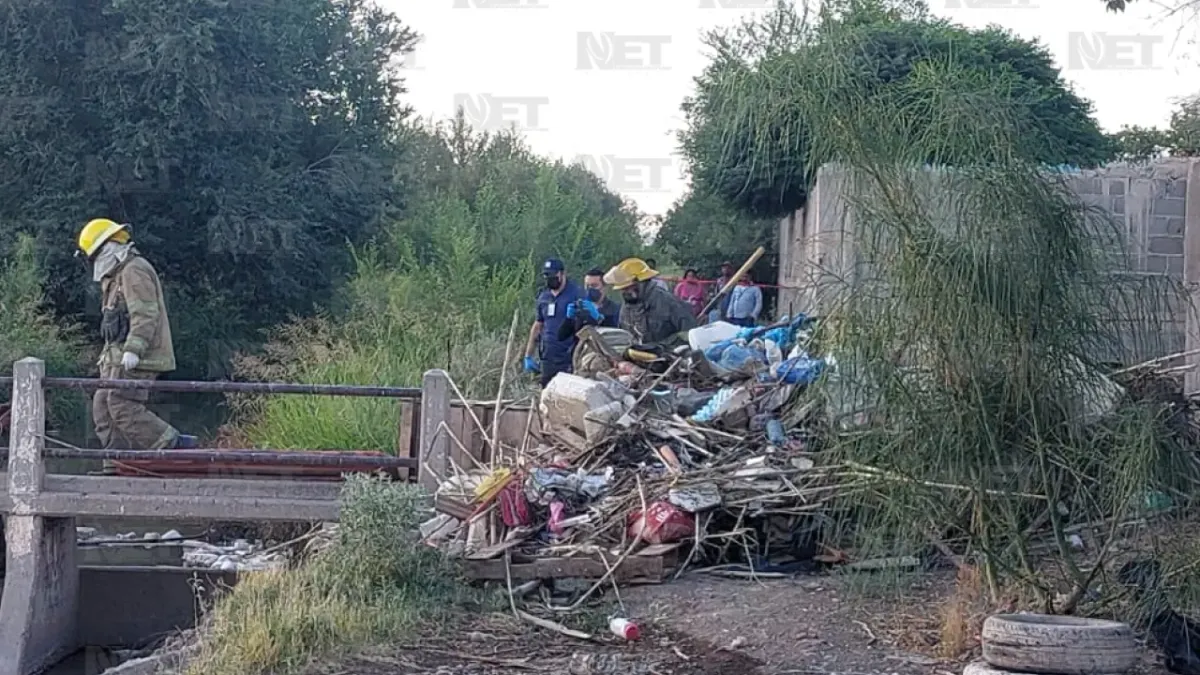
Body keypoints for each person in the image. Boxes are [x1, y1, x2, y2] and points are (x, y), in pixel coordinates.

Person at [77, 218, 196, 450]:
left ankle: (172, 444)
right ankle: (117, 460)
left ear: (108, 248)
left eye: (93, 256)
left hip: (140, 355)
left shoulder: (134, 270)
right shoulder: (115, 277)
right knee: (102, 403)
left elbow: (145, 314)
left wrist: (134, 349)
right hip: (119, 357)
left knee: (121, 402)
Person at [604, 258, 698, 347]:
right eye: (622, 289)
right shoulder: (626, 308)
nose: (624, 292)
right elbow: (623, 335)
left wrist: (663, 347)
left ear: (642, 282)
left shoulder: (667, 302)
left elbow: (690, 333)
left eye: (628, 287)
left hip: (669, 358)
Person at [523, 258, 583, 386]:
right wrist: (528, 355)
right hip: (548, 357)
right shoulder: (543, 297)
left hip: (569, 357)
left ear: (562, 274)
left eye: (552, 275)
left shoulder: (576, 293)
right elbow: (538, 325)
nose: (549, 278)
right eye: (546, 275)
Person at [556, 267, 620, 341]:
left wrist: (599, 318)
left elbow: (616, 333)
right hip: (582, 350)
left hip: (603, 350)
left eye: (594, 286)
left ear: (605, 287)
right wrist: (569, 319)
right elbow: (561, 336)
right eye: (587, 286)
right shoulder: (581, 307)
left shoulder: (614, 309)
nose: (590, 289)